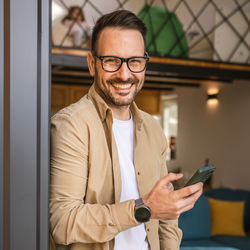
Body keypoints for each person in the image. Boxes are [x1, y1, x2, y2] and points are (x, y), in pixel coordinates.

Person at [50, 10, 203, 250]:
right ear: (92, 64)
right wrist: (143, 210)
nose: (124, 74)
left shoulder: (153, 129)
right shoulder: (71, 125)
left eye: (135, 61)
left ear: (144, 63)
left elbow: (167, 222)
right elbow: (62, 223)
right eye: (111, 60)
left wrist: (168, 208)